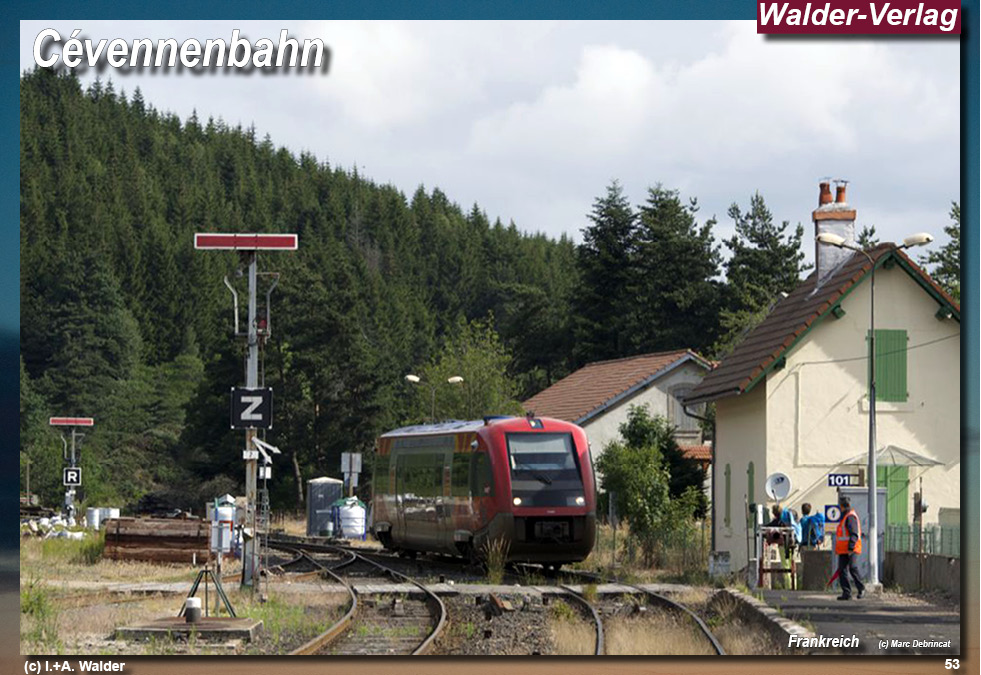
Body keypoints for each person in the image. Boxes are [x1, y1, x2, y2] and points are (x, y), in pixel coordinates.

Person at [835, 495, 865, 600]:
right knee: (842, 570)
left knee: (852, 568)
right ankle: (846, 593)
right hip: (844, 549)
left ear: (841, 506)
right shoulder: (846, 516)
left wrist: (851, 548)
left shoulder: (850, 517)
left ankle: (861, 588)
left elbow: (854, 534)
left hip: (851, 548)